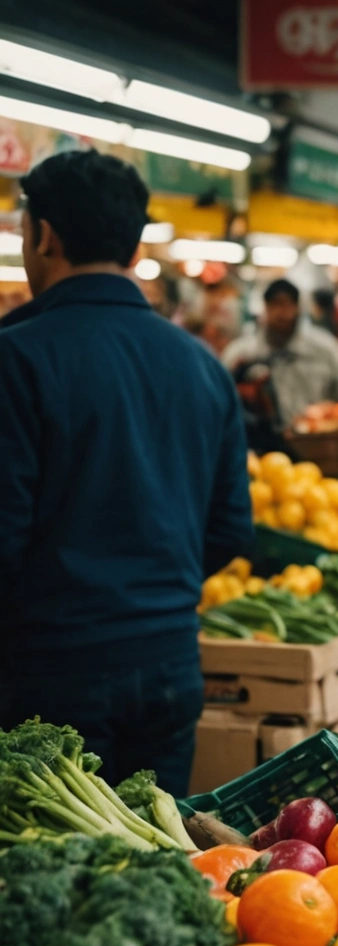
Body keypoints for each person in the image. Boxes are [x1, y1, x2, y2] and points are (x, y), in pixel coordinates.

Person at [0, 150, 254, 795]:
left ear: (44, 235)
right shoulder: (201, 364)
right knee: (151, 862)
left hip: (49, 672)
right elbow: (230, 528)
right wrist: (152, 590)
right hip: (170, 664)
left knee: (50, 867)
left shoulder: (17, 358)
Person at [221, 279, 338, 434]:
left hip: (315, 444)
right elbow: (220, 402)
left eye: (288, 305)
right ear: (266, 307)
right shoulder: (241, 352)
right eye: (275, 304)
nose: (282, 312)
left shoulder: (325, 349)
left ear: (297, 308)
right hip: (262, 447)